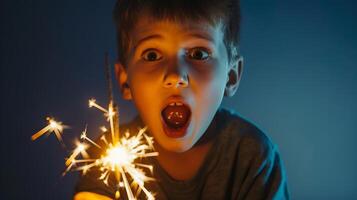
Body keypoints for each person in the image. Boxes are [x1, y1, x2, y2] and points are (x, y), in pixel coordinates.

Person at [74, 0, 290, 199]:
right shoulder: (106, 157)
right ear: (125, 82)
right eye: (151, 55)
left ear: (231, 76)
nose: (175, 76)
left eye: (198, 54)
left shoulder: (253, 156)